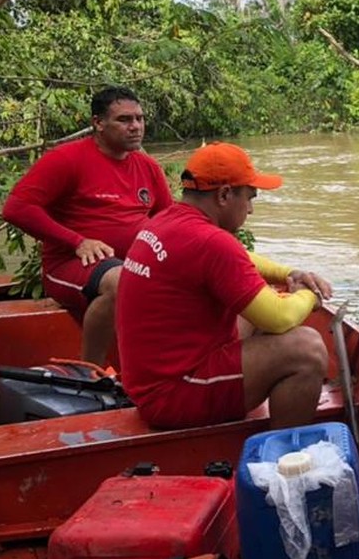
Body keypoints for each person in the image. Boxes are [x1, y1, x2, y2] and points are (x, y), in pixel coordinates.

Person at [115, 142, 334, 430]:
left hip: (152, 382)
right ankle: (283, 458)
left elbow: (239, 260)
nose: (251, 210)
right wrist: (308, 295)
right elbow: (280, 318)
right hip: (172, 396)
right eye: (250, 198)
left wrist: (289, 273)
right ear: (224, 194)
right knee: (308, 349)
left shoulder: (168, 220)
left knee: (258, 295)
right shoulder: (210, 241)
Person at [2, 87, 173, 367]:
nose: (136, 127)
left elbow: (169, 221)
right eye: (125, 120)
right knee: (123, 281)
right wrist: (77, 241)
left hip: (133, 264)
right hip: (71, 264)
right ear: (98, 123)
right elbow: (16, 208)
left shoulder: (148, 167)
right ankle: (89, 369)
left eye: (140, 119)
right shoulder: (67, 159)